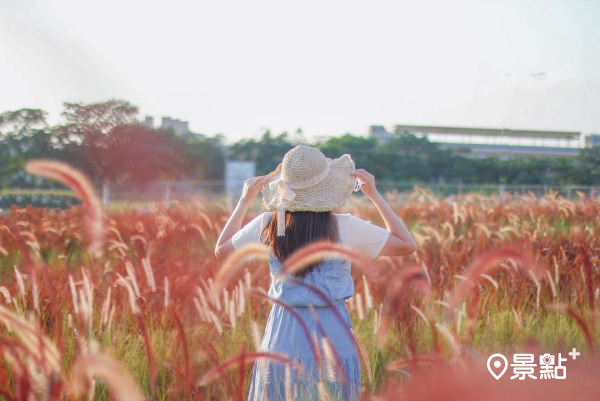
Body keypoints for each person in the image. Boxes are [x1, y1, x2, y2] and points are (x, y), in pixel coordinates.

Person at [215, 145, 417, 401]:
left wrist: (244, 201)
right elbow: (406, 244)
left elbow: (222, 250)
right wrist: (374, 195)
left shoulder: (269, 224)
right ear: (327, 189)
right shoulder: (345, 226)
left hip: (283, 334)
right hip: (333, 336)